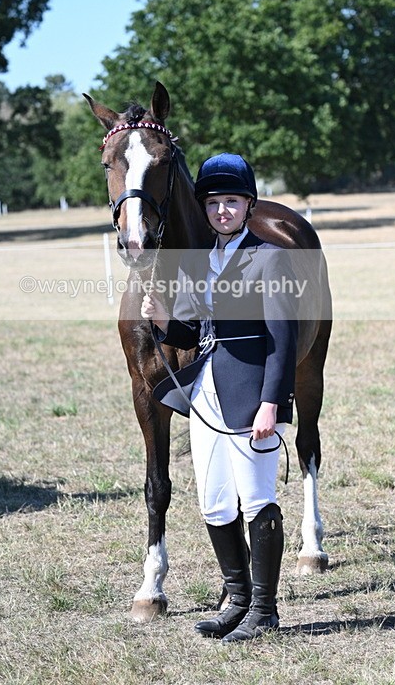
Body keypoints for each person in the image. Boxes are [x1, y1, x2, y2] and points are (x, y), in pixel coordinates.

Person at [141, 153, 298, 644]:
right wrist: (164, 319)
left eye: (232, 201)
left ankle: (265, 610)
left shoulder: (270, 257)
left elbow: (282, 340)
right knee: (213, 502)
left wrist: (272, 403)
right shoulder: (203, 260)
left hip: (251, 394)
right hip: (205, 394)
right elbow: (195, 332)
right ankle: (238, 600)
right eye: (213, 202)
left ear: (249, 205)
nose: (222, 210)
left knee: (256, 498)